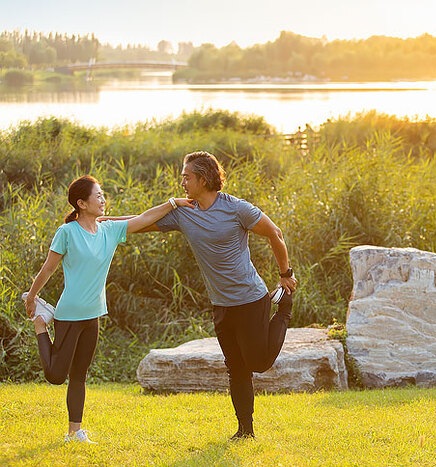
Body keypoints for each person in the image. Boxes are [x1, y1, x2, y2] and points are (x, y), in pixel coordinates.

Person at [110, 151, 297, 440]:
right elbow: (138, 223)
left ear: (203, 178)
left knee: (258, 363)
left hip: (250, 298)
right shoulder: (184, 212)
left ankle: (284, 308)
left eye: (187, 176)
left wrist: (285, 273)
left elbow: (275, 233)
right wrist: (94, 222)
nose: (182, 181)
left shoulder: (237, 209)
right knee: (236, 368)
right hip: (221, 304)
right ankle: (245, 431)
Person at [23, 175, 194, 443]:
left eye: (103, 194)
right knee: (56, 375)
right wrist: (32, 296)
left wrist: (173, 203)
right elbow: (48, 268)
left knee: (79, 376)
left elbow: (143, 218)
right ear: (81, 203)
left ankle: (74, 432)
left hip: (93, 314)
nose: (103, 199)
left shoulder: (109, 231)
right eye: (98, 195)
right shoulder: (66, 232)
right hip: (69, 314)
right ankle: (41, 325)